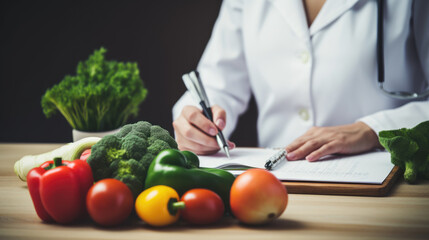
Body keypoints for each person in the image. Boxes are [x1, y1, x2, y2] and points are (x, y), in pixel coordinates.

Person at [172, 0, 429, 161]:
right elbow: (217, 85)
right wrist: (196, 124)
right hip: (277, 184)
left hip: (386, 183)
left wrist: (373, 130)